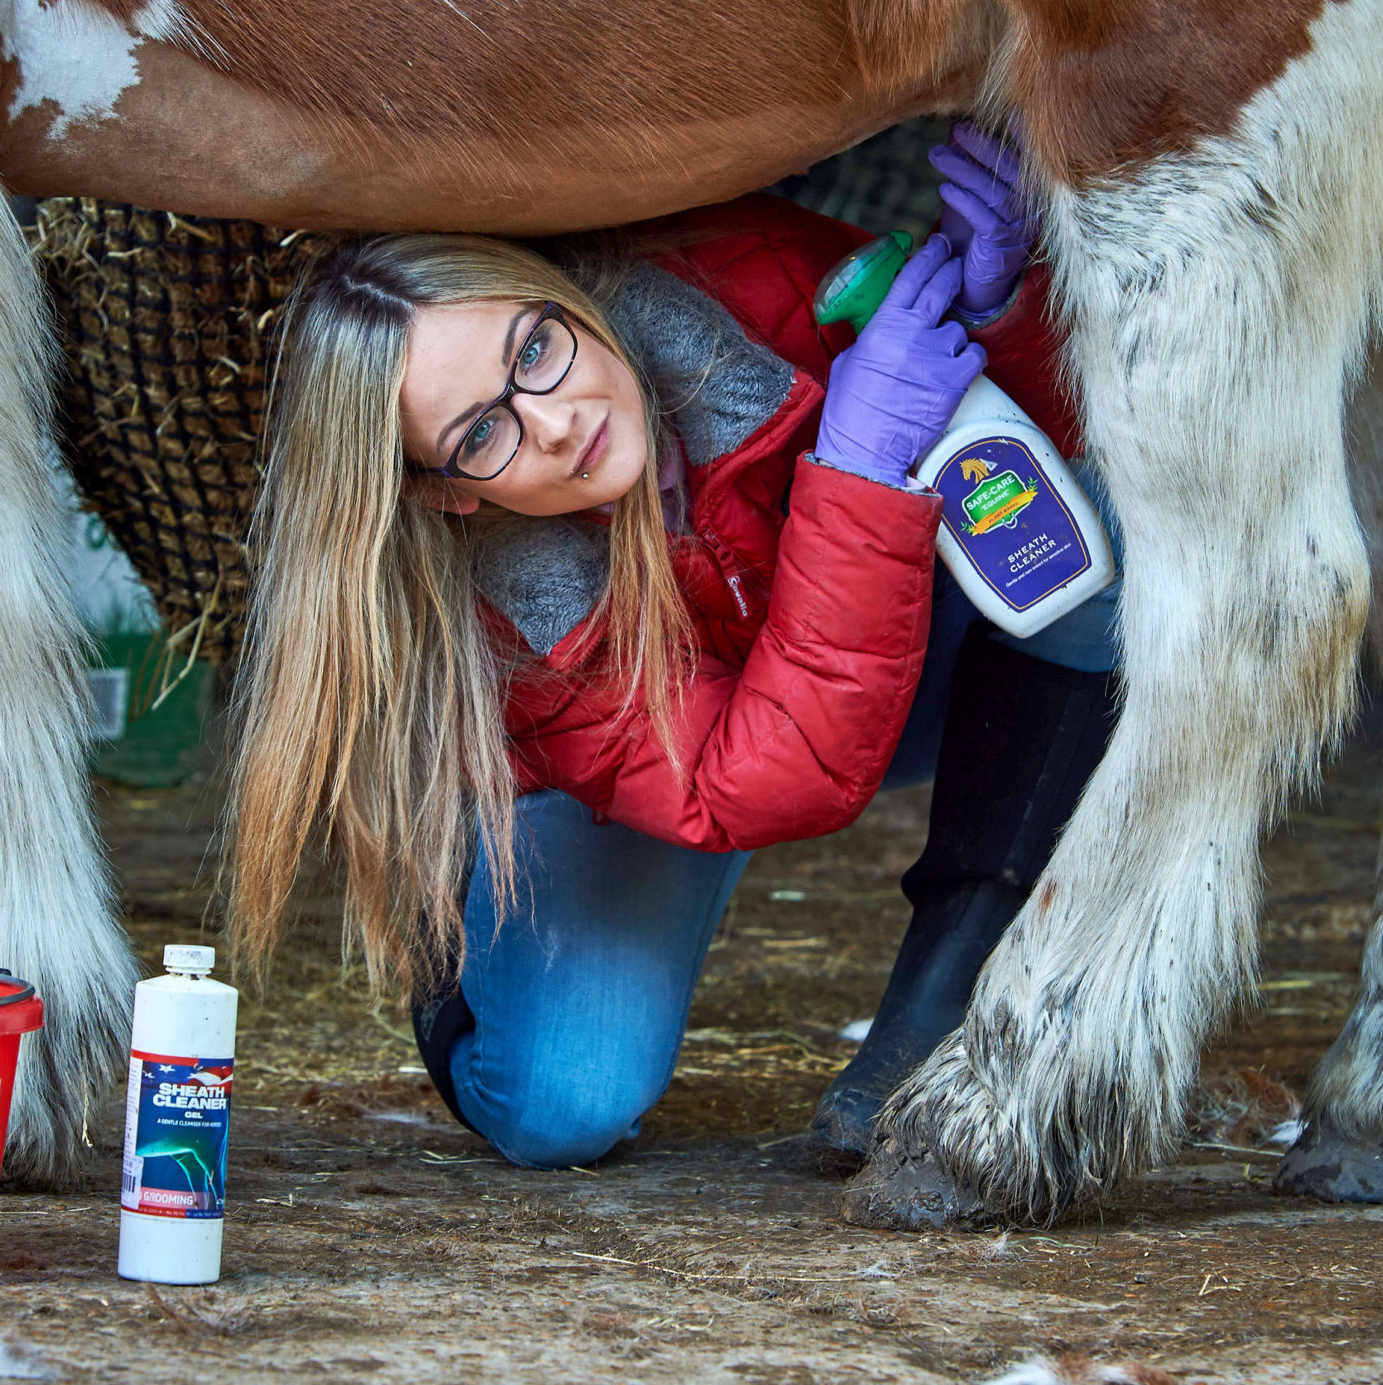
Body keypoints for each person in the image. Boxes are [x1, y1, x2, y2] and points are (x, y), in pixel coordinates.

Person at [225, 124, 1121, 1169]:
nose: (555, 421)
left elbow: (1032, 453)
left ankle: (953, 990)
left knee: (1099, 547)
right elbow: (762, 787)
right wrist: (864, 471)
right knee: (560, 1107)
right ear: (449, 492)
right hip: (681, 763)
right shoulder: (505, 618)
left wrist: (999, 313)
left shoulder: (729, 280)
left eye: (535, 348)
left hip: (865, 668)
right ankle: (475, 967)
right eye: (482, 432)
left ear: (561, 294)